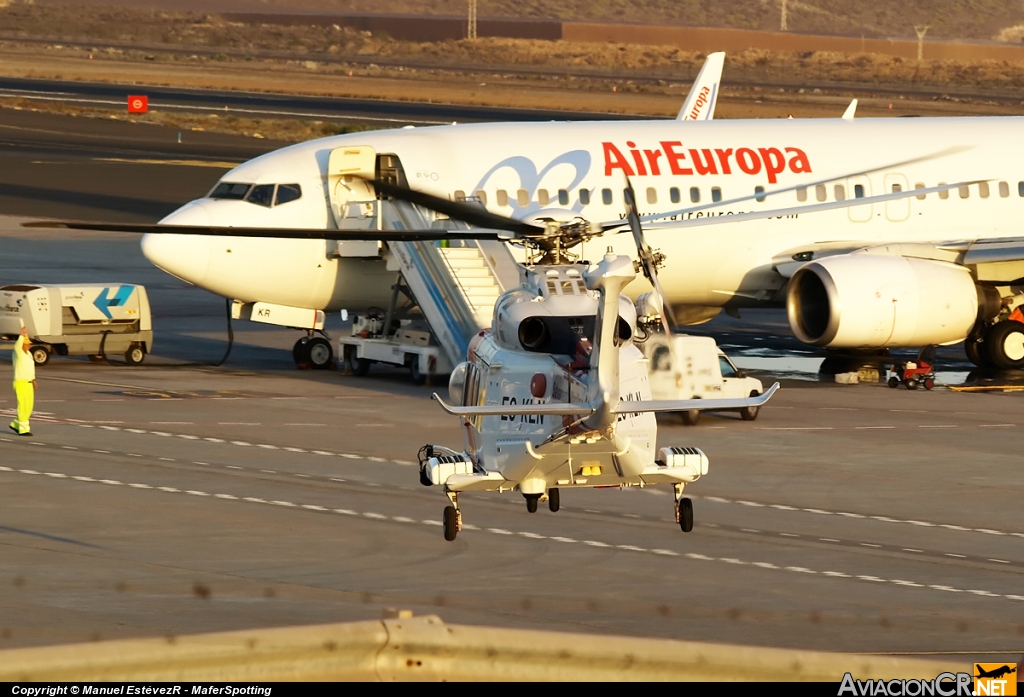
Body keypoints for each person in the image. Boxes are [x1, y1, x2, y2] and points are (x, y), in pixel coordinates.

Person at [10, 324, 36, 436]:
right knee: (23, 406)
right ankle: (23, 429)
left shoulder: (29, 354)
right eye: (27, 344)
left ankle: (16, 424)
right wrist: (22, 335)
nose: (29, 346)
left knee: (29, 406)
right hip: (20, 383)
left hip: (28, 383)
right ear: (22, 344)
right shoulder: (19, 353)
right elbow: (17, 346)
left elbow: (30, 368)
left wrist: (34, 380)